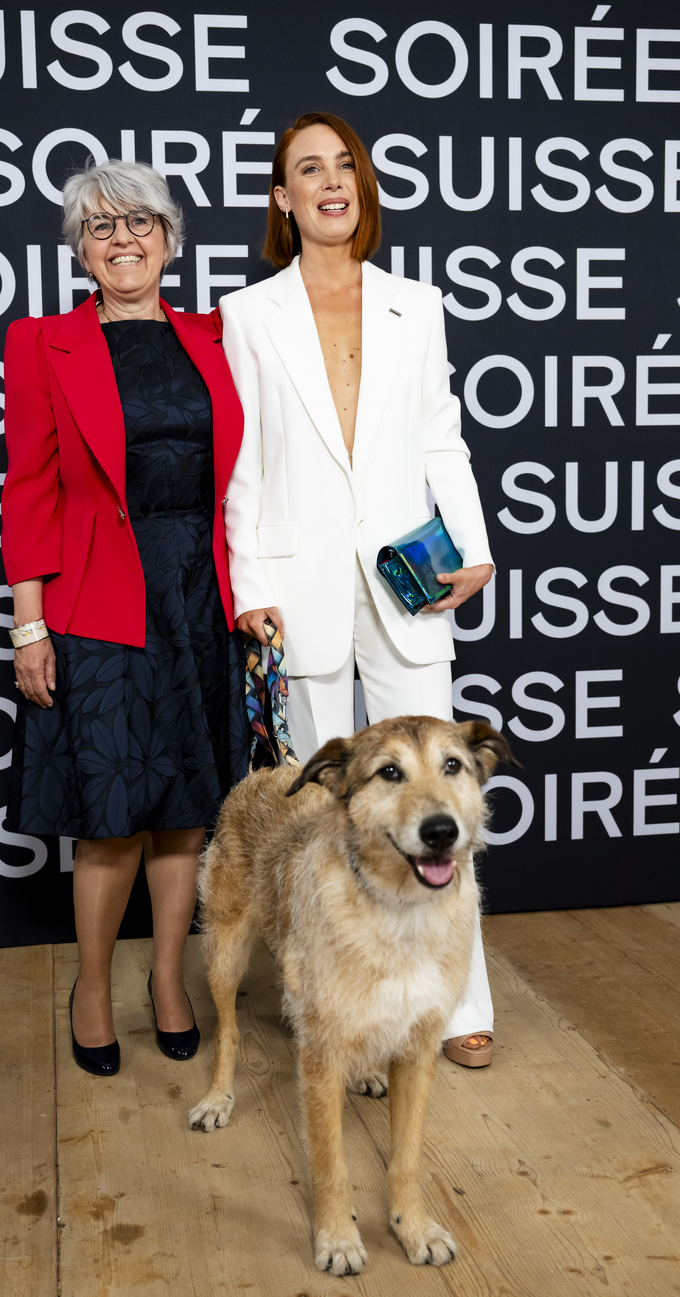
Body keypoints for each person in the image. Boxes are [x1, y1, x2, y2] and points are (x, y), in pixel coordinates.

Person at [219, 112, 496, 1069]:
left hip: (410, 579)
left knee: (437, 790)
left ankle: (456, 1001)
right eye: (309, 169)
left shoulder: (415, 304)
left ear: (361, 188)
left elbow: (439, 438)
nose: (332, 181)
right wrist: (249, 582)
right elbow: (243, 458)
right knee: (314, 807)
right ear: (281, 198)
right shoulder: (248, 312)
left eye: (346, 166)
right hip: (294, 586)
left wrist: (474, 544)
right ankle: (328, 997)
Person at [0, 159, 249, 1077]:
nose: (123, 241)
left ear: (171, 239)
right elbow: (27, 489)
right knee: (110, 819)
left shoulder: (217, 335)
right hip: (97, 595)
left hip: (199, 593)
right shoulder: (40, 344)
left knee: (186, 814)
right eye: (100, 228)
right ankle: (95, 986)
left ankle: (170, 982)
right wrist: (30, 624)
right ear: (78, 250)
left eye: (139, 223)